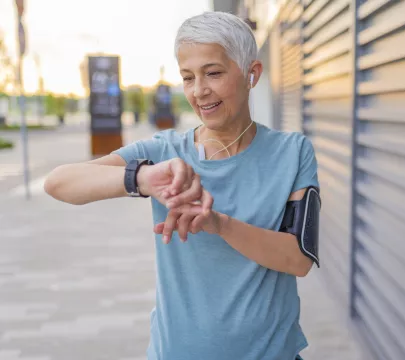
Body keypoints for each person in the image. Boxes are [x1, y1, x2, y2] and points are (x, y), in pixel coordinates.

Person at [44, 11, 320, 360]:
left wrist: (218, 224)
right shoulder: (161, 152)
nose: (199, 91)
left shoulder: (293, 152)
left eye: (213, 73)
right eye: (187, 78)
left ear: (252, 73)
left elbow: (298, 260)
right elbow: (59, 183)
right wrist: (142, 178)